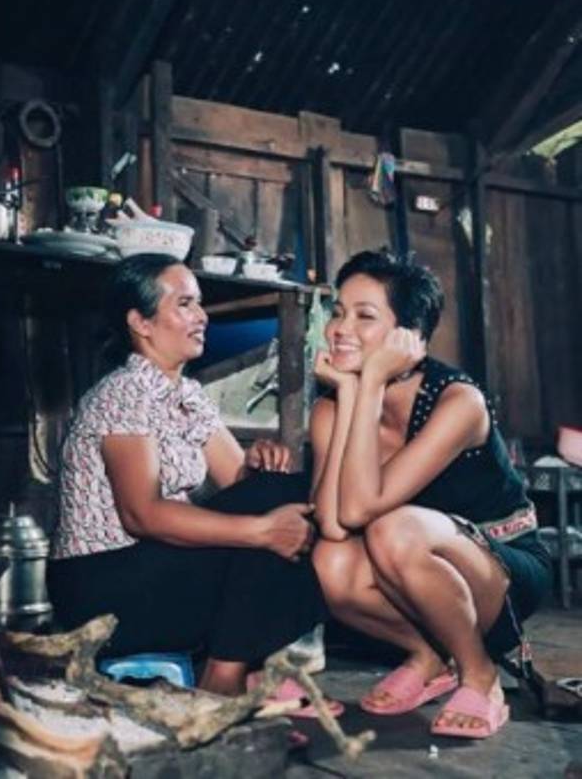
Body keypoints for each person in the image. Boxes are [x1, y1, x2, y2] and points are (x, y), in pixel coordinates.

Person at [47, 253, 327, 696]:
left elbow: (241, 483)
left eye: (199, 304)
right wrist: (260, 530)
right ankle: (228, 679)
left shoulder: (187, 395)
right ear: (140, 322)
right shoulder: (124, 392)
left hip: (155, 569)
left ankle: (231, 671)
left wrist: (259, 462)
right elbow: (142, 515)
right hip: (101, 589)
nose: (201, 317)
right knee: (267, 522)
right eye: (185, 305)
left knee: (285, 494)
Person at [310, 248, 551, 739]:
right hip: (412, 571)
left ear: (409, 337)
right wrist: (357, 396)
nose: (339, 328)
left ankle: (479, 674)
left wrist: (371, 381)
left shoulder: (458, 401)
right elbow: (335, 523)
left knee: (392, 527)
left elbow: (362, 510)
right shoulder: (333, 406)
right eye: (338, 311)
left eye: (364, 316)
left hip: (501, 569)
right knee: (330, 562)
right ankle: (427, 654)